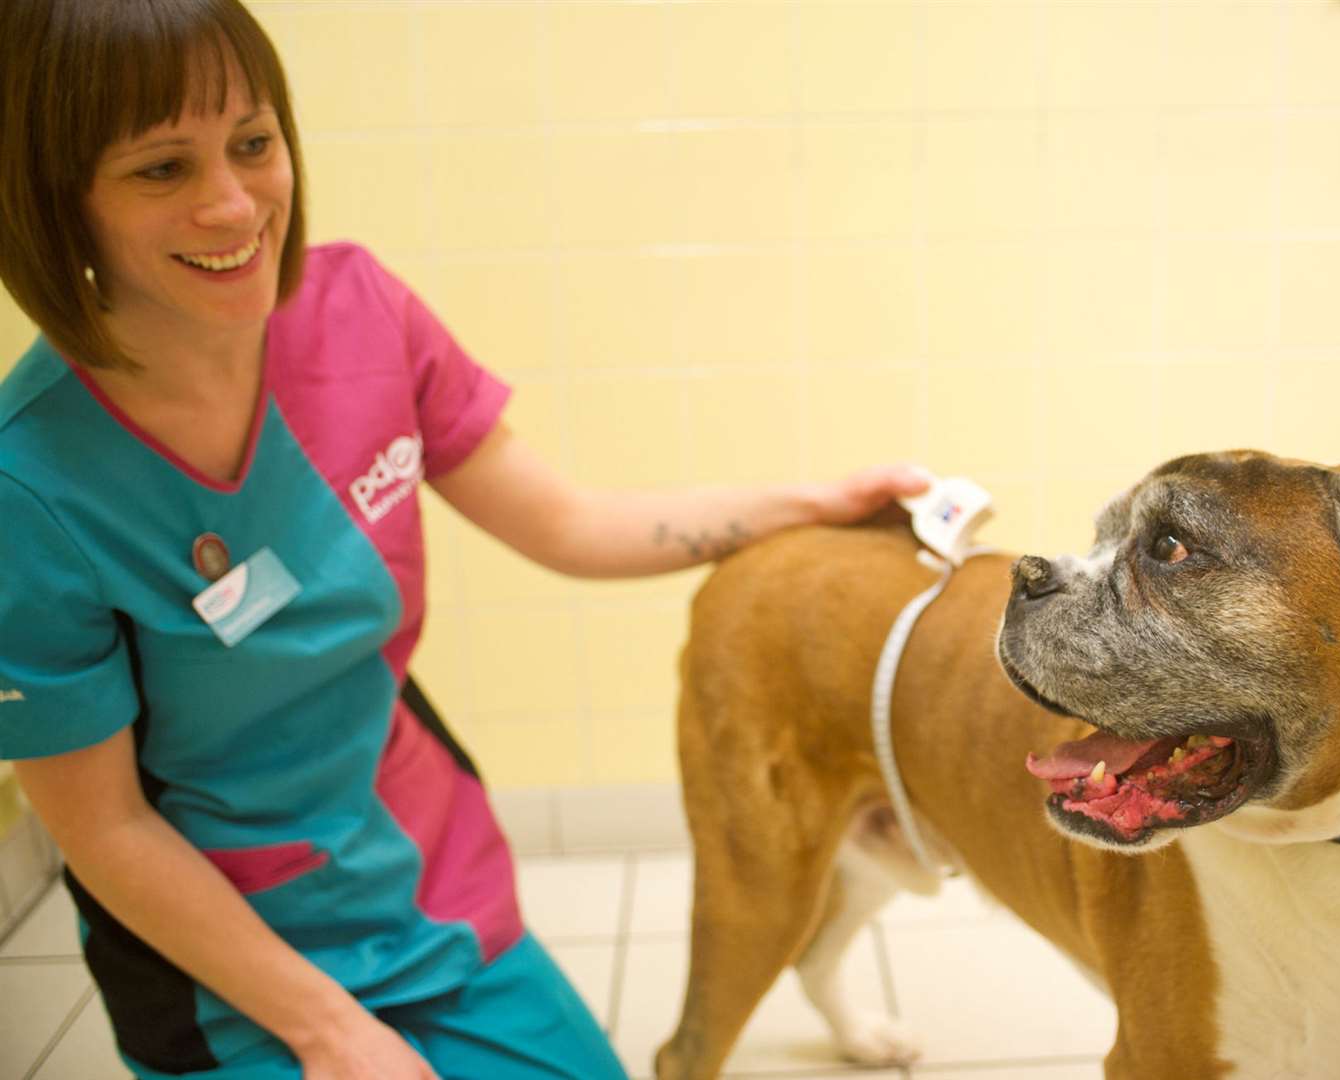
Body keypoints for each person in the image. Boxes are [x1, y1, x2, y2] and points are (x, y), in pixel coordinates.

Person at [0, 2, 928, 1077]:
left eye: (253, 144)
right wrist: (332, 1032)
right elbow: (102, 828)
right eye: (161, 169)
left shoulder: (359, 311)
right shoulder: (33, 485)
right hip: (226, 967)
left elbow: (570, 525)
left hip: (430, 885)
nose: (231, 203)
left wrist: (811, 502)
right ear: (60, 199)